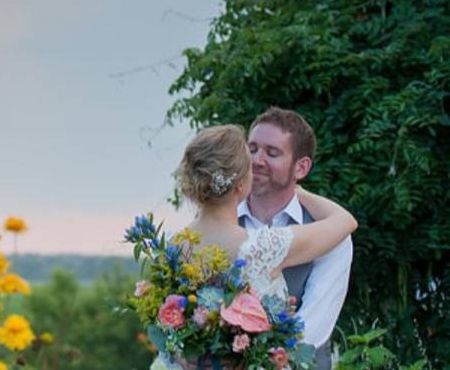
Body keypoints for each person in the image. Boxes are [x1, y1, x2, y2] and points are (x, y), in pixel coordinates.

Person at [152, 124, 357, 370]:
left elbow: (163, 329)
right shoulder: (261, 246)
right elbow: (345, 221)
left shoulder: (174, 247)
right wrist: (299, 191)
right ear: (240, 185)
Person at [239, 108, 352, 370]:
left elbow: (312, 329)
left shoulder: (331, 235)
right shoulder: (220, 221)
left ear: (300, 167)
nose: (257, 160)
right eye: (252, 149)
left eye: (272, 152)